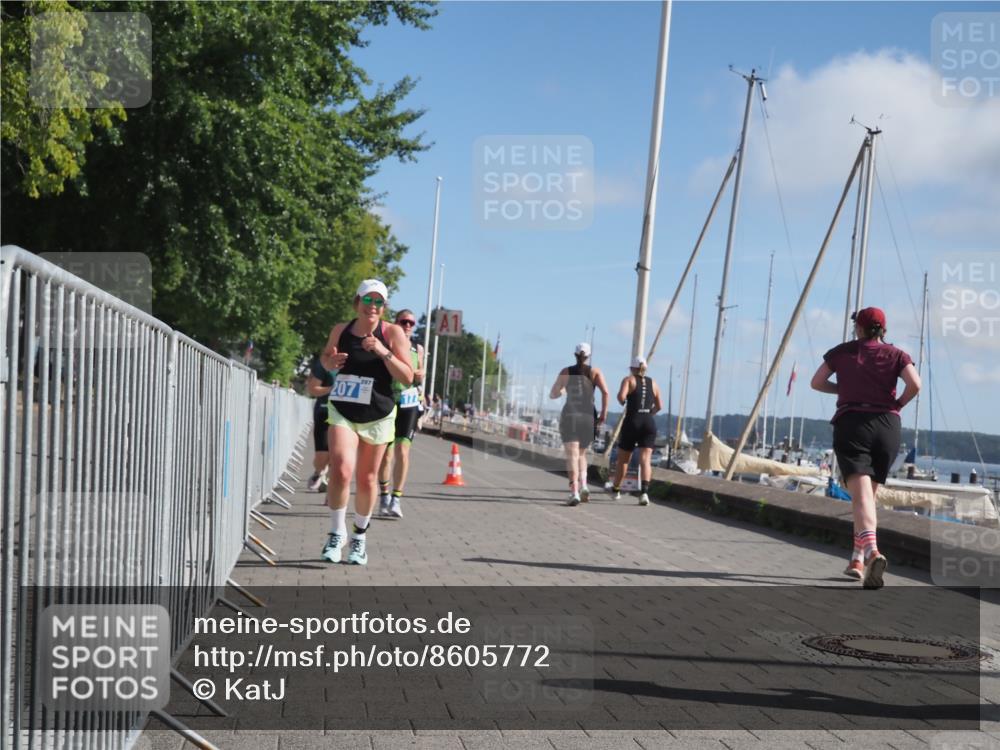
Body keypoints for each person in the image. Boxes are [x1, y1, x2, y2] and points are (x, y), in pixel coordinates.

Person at [810, 307, 920, 589]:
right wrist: (898, 404)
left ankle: (872, 551)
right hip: (887, 427)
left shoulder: (843, 352)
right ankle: (856, 559)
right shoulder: (898, 354)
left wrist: (844, 389)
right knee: (867, 498)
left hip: (853, 424)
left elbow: (816, 382)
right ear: (883, 329)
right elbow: (914, 384)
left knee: (860, 498)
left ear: (858, 328)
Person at [320, 280, 414, 566]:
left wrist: (382, 351)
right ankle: (337, 532)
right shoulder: (341, 330)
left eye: (379, 302)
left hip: (378, 412)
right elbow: (325, 358)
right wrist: (330, 362)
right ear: (357, 302)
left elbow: (408, 377)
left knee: (368, 478)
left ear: (384, 307)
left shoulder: (393, 332)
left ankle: (359, 536)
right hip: (343, 409)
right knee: (341, 469)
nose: (372, 306)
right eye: (367, 300)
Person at [376, 309, 425, 519]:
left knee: (403, 452)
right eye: (403, 321)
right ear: (396, 323)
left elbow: (420, 375)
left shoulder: (418, 348)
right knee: (385, 455)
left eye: (411, 323)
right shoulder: (388, 342)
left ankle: (397, 499)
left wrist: (421, 374)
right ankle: (384, 495)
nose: (407, 326)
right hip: (388, 399)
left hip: (409, 402)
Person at [550, 342, 609, 506]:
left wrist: (562, 390)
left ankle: (574, 491)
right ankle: (584, 485)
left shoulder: (566, 371)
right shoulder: (595, 372)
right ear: (588, 356)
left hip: (571, 415)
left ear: (575, 355)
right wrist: (604, 413)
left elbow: (552, 394)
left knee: (572, 455)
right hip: (589, 415)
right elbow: (605, 392)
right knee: (582, 453)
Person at [610, 357, 662, 506]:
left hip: (632, 420)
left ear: (632, 368)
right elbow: (659, 406)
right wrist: (648, 414)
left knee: (624, 459)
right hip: (648, 422)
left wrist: (623, 401)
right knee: (645, 460)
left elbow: (621, 397)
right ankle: (644, 493)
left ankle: (616, 489)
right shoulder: (654, 383)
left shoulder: (628, 380)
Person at [305, 354, 334, 491]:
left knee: (338, 455)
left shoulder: (358, 360)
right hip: (324, 411)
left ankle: (332, 491)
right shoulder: (325, 361)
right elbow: (312, 389)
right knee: (322, 457)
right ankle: (319, 472)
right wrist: (334, 389)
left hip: (345, 415)